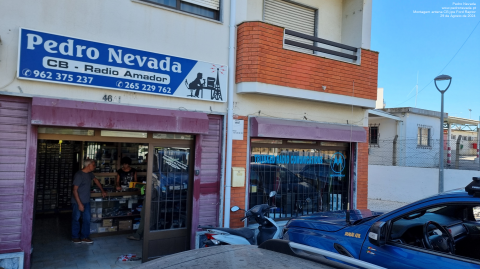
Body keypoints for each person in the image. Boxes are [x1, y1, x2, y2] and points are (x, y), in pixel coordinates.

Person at [72, 159, 106, 244]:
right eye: (93, 165)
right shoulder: (79, 175)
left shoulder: (90, 174)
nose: (95, 167)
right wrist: (79, 204)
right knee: (76, 219)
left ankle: (84, 237)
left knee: (87, 219)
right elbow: (74, 190)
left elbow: (96, 180)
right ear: (88, 165)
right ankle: (75, 237)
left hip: (86, 201)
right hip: (77, 202)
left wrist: (102, 190)